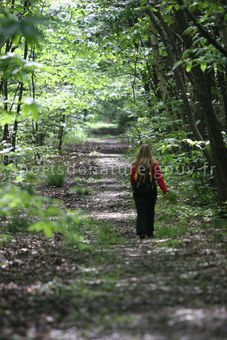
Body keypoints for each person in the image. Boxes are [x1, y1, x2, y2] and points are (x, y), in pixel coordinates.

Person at [130, 144, 168, 239]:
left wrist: (133, 188)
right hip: (151, 191)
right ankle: (150, 231)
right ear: (150, 153)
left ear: (139, 152)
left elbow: (132, 178)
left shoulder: (135, 164)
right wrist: (165, 190)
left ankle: (141, 231)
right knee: (150, 211)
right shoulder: (154, 164)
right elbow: (159, 179)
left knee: (141, 211)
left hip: (138, 191)